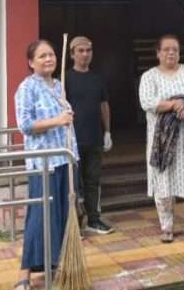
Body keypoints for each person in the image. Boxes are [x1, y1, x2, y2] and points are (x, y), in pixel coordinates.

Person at [138, 34, 184, 243]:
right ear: (158, 53)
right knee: (163, 183)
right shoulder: (149, 76)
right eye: (166, 49)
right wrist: (174, 105)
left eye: (175, 50)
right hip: (161, 141)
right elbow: (147, 102)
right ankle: (167, 227)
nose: (171, 53)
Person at [14, 40, 77, 289]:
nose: (49, 59)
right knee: (39, 217)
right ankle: (24, 275)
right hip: (44, 162)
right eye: (42, 56)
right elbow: (25, 125)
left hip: (66, 159)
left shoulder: (59, 85)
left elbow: (67, 122)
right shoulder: (27, 87)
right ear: (31, 62)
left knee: (60, 216)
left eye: (51, 55)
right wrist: (57, 120)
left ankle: (57, 266)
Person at [65, 36, 114, 235]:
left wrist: (108, 131)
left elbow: (104, 104)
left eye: (88, 51)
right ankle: (75, 222)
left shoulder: (97, 78)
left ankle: (94, 219)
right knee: (73, 184)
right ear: (72, 54)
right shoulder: (65, 78)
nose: (85, 54)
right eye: (81, 51)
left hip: (94, 137)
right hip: (72, 140)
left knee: (93, 180)